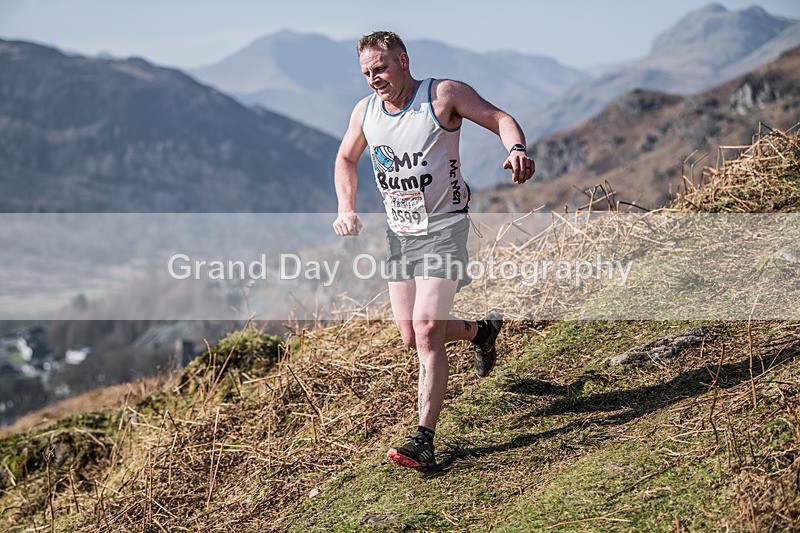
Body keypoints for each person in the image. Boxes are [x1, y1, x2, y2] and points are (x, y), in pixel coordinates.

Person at [332, 31, 535, 472]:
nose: (374, 79)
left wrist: (516, 148)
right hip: (399, 236)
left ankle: (424, 439)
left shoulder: (443, 95)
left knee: (426, 331)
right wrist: (346, 207)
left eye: (381, 68)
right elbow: (346, 159)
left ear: (403, 60)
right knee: (411, 335)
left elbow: (500, 118)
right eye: (367, 73)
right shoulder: (364, 112)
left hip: (445, 229)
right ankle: (480, 332)